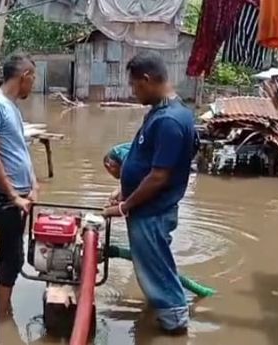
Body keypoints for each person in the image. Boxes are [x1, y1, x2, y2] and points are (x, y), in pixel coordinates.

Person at [103, 52, 198, 335]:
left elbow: (159, 176)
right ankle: (165, 314)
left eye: (135, 86)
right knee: (155, 264)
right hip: (149, 208)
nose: (133, 92)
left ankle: (175, 323)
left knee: (156, 268)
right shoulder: (162, 112)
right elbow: (145, 162)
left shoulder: (170, 120)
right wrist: (123, 189)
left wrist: (124, 207)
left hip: (152, 211)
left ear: (147, 79)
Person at [0, 53, 38, 320]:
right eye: (33, 78)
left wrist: (34, 184)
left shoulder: (12, 107)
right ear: (24, 76)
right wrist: (14, 195)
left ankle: (5, 310)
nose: (33, 85)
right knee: (10, 255)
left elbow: (20, 150)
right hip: (5, 197)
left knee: (15, 252)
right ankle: (1, 317)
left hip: (21, 195)